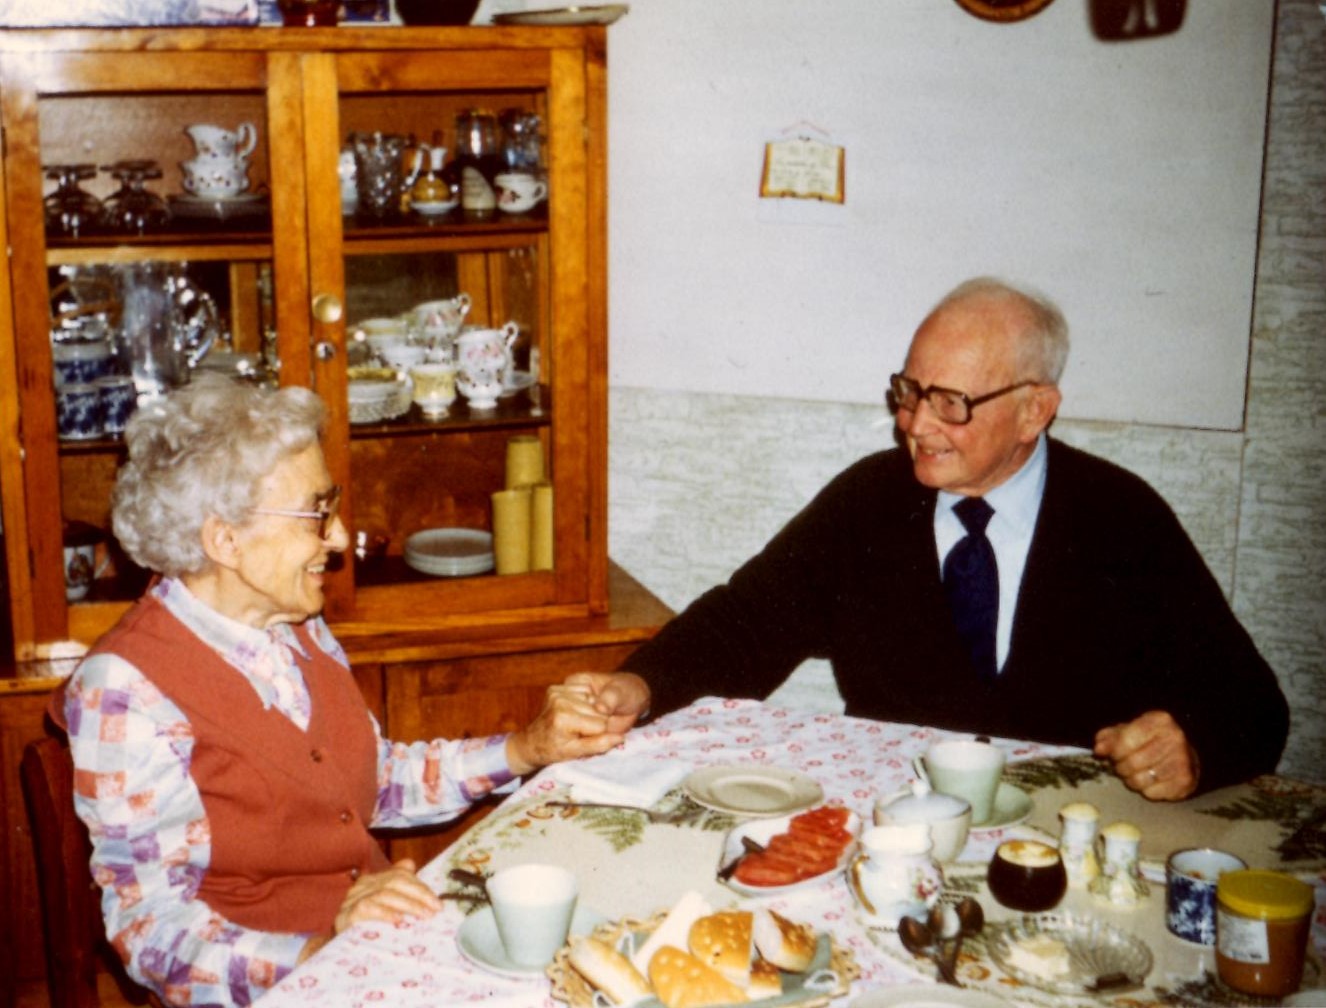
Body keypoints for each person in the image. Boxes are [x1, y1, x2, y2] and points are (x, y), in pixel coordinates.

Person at [589, 277, 1288, 801]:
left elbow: (1253, 705)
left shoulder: (1120, 519)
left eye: (951, 403)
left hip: (1066, 838)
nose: (915, 425)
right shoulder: (868, 502)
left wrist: (1193, 747)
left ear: (1034, 411)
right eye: (910, 391)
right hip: (899, 824)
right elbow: (743, 625)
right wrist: (640, 685)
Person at [55, 375, 632, 1008]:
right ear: (224, 540)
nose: (336, 537)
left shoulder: (294, 626)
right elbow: (149, 931)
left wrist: (526, 749)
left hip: (376, 952)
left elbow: (372, 784)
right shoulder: (126, 688)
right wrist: (319, 949)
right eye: (316, 513)